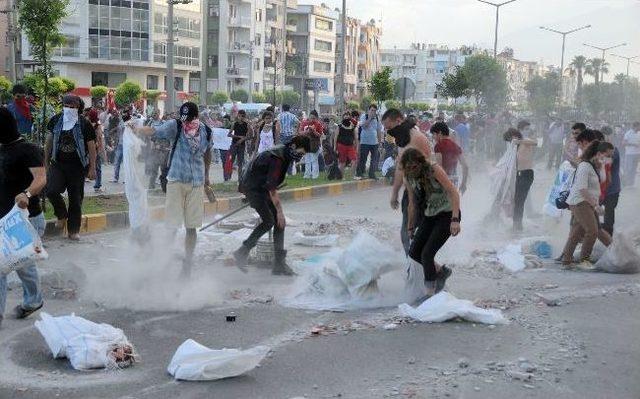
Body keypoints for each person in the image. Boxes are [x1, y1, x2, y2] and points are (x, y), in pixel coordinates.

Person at [131, 102, 213, 277]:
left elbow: (208, 151)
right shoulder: (175, 125)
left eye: (189, 118)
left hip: (196, 182)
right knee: (172, 225)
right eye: (184, 118)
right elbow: (155, 131)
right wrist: (137, 129)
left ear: (196, 116)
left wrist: (206, 176)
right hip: (175, 180)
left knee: (192, 227)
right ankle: (165, 261)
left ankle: (187, 265)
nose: (186, 122)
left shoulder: (206, 130)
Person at [233, 135, 311, 275]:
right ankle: (242, 252)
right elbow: (271, 187)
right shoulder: (278, 157)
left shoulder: (285, 153)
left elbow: (271, 184)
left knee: (280, 223)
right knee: (270, 221)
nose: (300, 157)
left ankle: (279, 264)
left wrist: (279, 214)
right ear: (293, 146)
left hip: (261, 188)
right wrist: (279, 211)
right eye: (301, 153)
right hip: (254, 189)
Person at [0, 108, 47, 328]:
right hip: (5, 221)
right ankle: (34, 300)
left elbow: (41, 178)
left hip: (24, 219)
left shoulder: (28, 149)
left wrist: (27, 194)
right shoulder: (2, 150)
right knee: (13, 266)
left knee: (21, 266)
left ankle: (33, 300)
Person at [402, 148, 461, 299]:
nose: (411, 170)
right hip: (430, 215)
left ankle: (430, 293)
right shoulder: (408, 177)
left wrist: (455, 220)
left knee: (427, 254)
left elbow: (453, 191)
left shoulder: (433, 169)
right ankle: (441, 272)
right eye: (408, 168)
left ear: (421, 164)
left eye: (414, 167)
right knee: (414, 253)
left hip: (447, 214)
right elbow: (412, 204)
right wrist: (410, 226)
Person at [45, 95, 97, 241]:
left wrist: (92, 168)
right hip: (58, 164)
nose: (69, 109)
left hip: (77, 167)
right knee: (51, 190)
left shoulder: (84, 123)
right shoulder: (56, 120)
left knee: (75, 199)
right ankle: (61, 215)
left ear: (78, 108)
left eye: (72, 107)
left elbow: (91, 146)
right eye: (66, 106)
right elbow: (49, 142)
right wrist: (45, 162)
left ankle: (73, 230)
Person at [381, 108, 432, 254]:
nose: (388, 131)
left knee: (411, 233)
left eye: (389, 127)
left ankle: (424, 268)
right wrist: (395, 192)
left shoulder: (415, 138)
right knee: (409, 232)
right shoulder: (403, 138)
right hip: (412, 190)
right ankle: (419, 266)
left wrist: (397, 194)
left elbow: (403, 168)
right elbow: (400, 167)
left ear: (399, 121)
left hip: (421, 192)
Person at [560, 141, 612, 270]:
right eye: (607, 155)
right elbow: (582, 189)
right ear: (599, 153)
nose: (609, 158)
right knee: (592, 231)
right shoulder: (584, 166)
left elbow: (603, 182)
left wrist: (603, 165)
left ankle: (566, 261)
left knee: (577, 232)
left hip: (587, 202)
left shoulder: (596, 166)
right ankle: (584, 260)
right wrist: (596, 206)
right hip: (580, 202)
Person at [510, 121, 537, 232]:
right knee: (517, 201)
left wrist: (519, 141)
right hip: (518, 174)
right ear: (520, 129)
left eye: (528, 129)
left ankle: (517, 226)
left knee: (519, 201)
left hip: (526, 173)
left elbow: (535, 142)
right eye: (525, 129)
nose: (528, 131)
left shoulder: (526, 141)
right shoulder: (517, 143)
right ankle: (516, 225)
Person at [431, 121, 469, 194]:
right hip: (454, 181)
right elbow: (466, 166)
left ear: (440, 133)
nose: (433, 137)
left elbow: (439, 167)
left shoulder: (439, 146)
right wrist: (464, 184)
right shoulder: (456, 146)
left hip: (442, 182)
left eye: (434, 134)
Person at [601, 127, 621, 235]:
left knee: (608, 219)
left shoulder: (614, 150)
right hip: (599, 190)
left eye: (607, 136)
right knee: (592, 217)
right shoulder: (598, 150)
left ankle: (608, 242)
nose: (605, 139)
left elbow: (606, 163)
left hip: (612, 190)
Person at [355, 104, 383, 180]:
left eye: (374, 111)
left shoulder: (377, 118)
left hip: (374, 142)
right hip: (365, 142)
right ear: (368, 110)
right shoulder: (364, 116)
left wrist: (380, 142)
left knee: (374, 159)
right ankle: (360, 173)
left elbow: (379, 131)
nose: (373, 112)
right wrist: (370, 118)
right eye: (372, 110)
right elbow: (363, 126)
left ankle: (372, 173)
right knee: (363, 158)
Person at [300, 110, 324, 179]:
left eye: (314, 118)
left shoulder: (318, 124)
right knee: (307, 160)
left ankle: (315, 176)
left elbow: (320, 135)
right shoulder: (304, 123)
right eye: (311, 118)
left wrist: (314, 131)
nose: (312, 119)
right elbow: (300, 132)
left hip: (314, 145)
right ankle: (307, 175)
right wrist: (306, 131)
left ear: (316, 118)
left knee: (314, 160)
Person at [228, 110, 252, 179]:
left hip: (242, 145)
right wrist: (238, 137)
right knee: (231, 161)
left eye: (242, 116)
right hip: (234, 144)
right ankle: (229, 177)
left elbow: (250, 136)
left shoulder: (247, 124)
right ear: (237, 115)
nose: (241, 117)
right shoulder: (234, 124)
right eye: (239, 116)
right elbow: (229, 134)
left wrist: (243, 139)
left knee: (240, 162)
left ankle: (240, 178)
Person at [87, 109, 107, 193]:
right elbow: (100, 140)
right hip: (95, 149)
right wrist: (103, 152)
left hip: (86, 149)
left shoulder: (86, 124)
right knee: (98, 168)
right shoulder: (97, 126)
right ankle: (97, 186)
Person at [623, 121, 640, 187]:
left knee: (634, 168)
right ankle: (626, 183)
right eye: (639, 126)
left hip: (637, 153)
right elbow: (624, 143)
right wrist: (633, 144)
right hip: (629, 154)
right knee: (629, 169)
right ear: (636, 126)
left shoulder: (639, 133)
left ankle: (631, 183)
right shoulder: (628, 133)